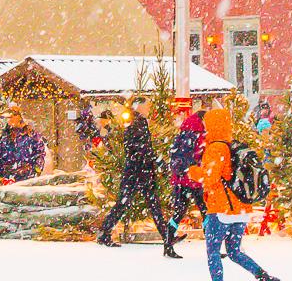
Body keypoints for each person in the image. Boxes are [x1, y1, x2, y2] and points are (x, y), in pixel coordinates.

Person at [188, 107, 278, 281]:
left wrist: (193, 171)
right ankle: (263, 276)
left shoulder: (215, 148)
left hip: (221, 210)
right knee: (234, 251)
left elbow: (211, 178)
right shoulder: (233, 146)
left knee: (213, 252)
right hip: (241, 209)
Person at [97, 96, 177, 258]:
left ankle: (167, 236)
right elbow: (139, 148)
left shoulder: (136, 121)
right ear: (139, 106)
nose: (150, 108)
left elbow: (140, 147)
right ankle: (105, 232)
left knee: (145, 204)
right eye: (147, 105)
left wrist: (154, 161)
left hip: (137, 170)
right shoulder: (136, 121)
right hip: (138, 170)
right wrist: (155, 162)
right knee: (143, 204)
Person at [168, 108, 208, 238]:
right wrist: (194, 169)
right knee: (201, 209)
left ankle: (169, 240)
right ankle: (212, 244)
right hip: (189, 179)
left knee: (187, 210)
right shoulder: (193, 133)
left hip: (187, 179)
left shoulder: (190, 131)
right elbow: (188, 157)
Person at [0, 107, 47, 182]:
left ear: (20, 117)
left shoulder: (31, 135)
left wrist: (35, 171)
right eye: (8, 117)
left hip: (27, 179)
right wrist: (0, 175)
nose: (10, 119)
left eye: (13, 115)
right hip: (8, 180)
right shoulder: (5, 137)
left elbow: (39, 155)